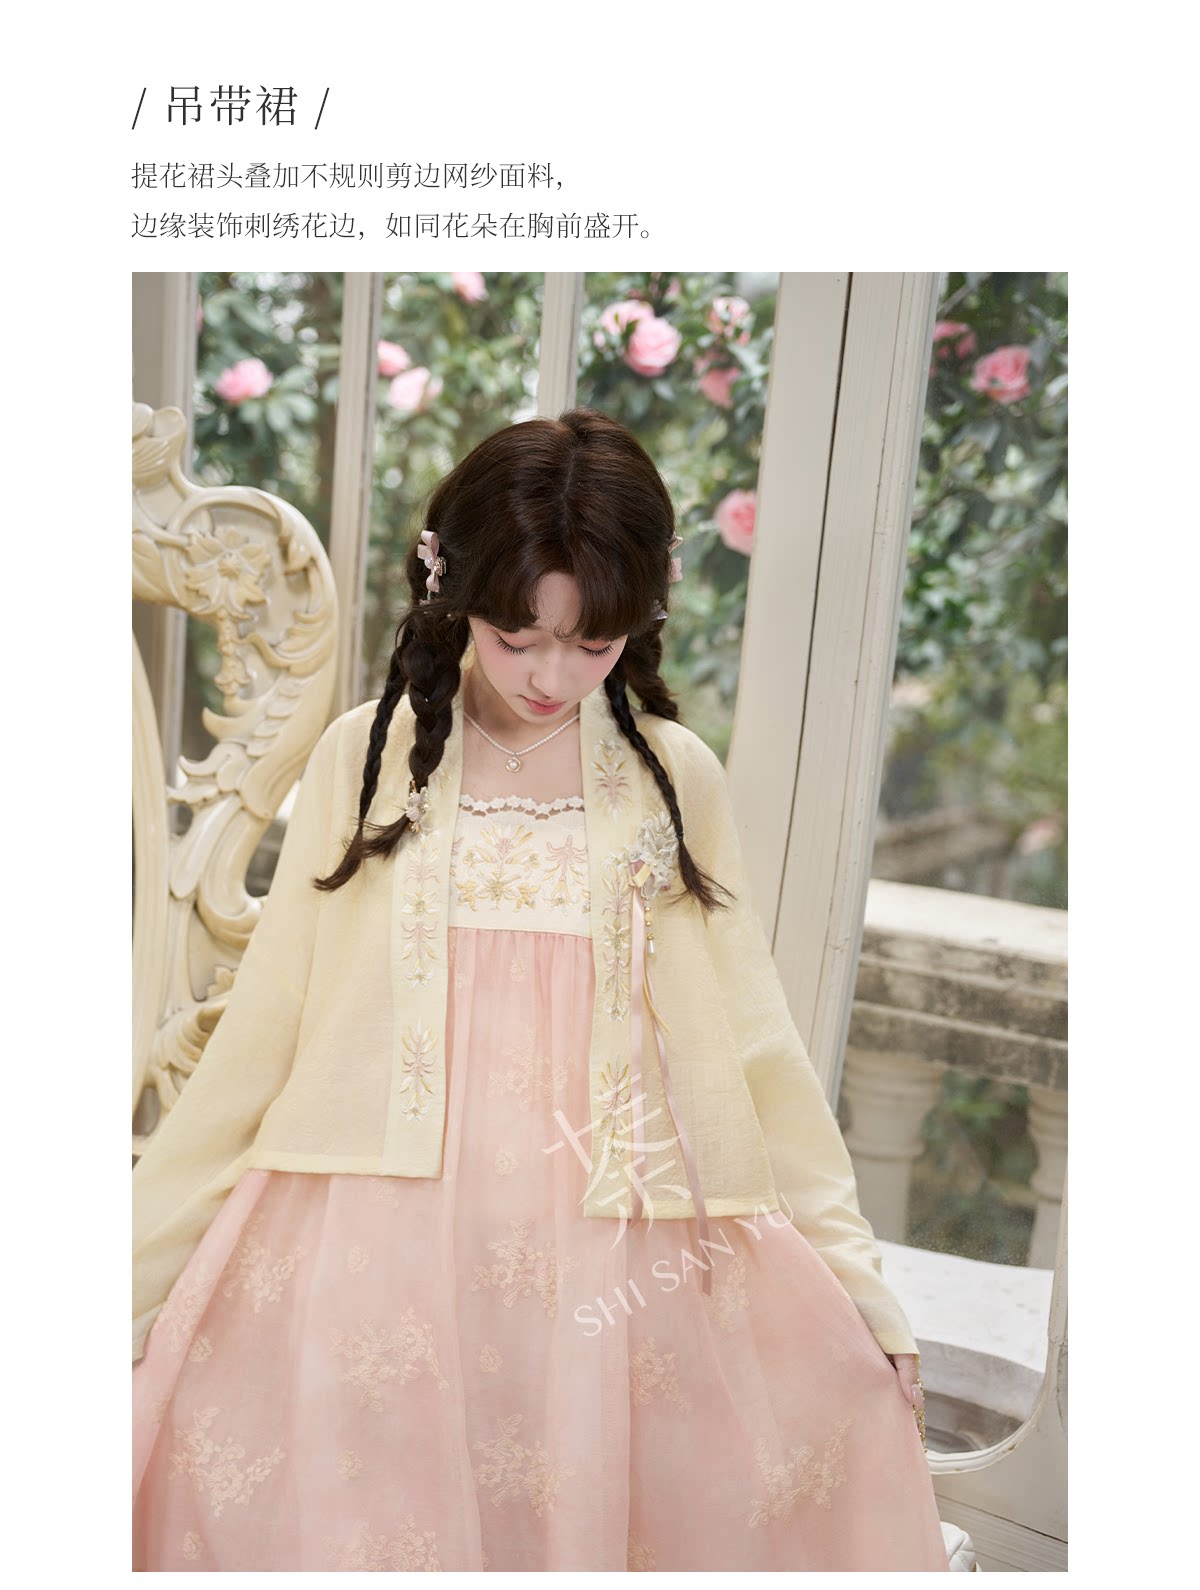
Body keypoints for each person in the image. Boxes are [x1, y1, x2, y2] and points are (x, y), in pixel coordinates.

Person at [132, 407, 949, 1571]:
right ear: (451, 590)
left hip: (612, 1262)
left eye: (592, 642)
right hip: (371, 1251)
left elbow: (754, 1044)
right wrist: (131, 1266)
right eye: (517, 637)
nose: (551, 676)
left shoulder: (672, 779)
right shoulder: (364, 758)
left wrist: (857, 1283)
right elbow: (265, 1033)